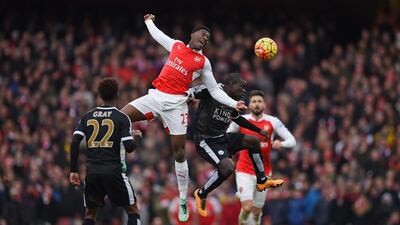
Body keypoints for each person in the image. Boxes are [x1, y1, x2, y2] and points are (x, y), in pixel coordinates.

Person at [121, 13, 246, 222]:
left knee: (178, 153)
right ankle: (122, 159)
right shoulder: (177, 46)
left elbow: (214, 90)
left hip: (176, 106)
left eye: (208, 37)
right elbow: (158, 36)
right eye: (202, 34)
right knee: (120, 117)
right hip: (156, 96)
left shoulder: (203, 62)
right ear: (193, 34)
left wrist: (234, 103)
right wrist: (148, 21)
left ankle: (181, 200)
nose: (205, 38)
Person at [188, 73, 284, 217]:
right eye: (242, 87)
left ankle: (262, 180)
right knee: (228, 168)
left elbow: (237, 119)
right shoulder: (212, 90)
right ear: (231, 84)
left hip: (222, 138)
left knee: (254, 141)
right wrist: (187, 98)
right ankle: (201, 194)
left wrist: (259, 131)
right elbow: (189, 93)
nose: (244, 91)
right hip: (206, 140)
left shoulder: (231, 101)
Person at [69, 78, 142, 225]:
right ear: (117, 94)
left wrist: (73, 170)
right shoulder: (122, 118)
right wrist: (137, 138)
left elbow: (75, 142)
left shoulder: (86, 117)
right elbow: (129, 147)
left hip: (92, 173)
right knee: (133, 211)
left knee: (90, 215)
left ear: (100, 96)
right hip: (114, 172)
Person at [227, 90, 296, 225]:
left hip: (264, 173)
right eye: (254, 102)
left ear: (264, 104)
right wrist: (228, 154)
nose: (257, 104)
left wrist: (281, 143)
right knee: (247, 207)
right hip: (244, 170)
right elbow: (226, 137)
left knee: (257, 212)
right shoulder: (242, 121)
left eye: (259, 101)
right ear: (249, 105)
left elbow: (292, 140)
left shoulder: (272, 121)